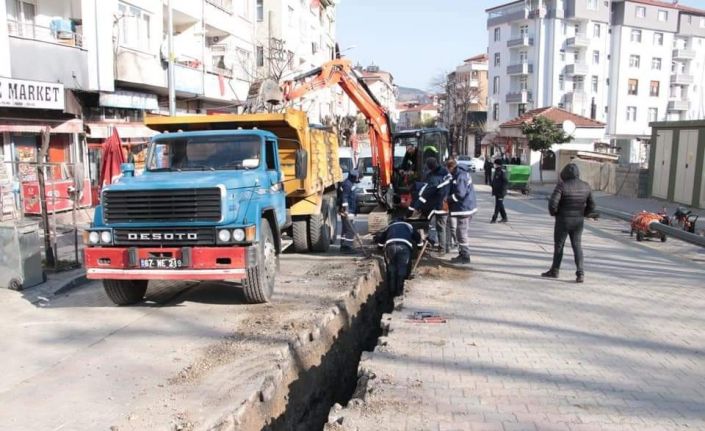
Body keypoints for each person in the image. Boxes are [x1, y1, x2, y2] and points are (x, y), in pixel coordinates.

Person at [542, 163, 595, 283]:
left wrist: (555, 213)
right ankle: (580, 273)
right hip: (578, 221)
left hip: (563, 220)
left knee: (559, 245)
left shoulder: (562, 186)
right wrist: (584, 214)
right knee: (577, 246)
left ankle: (555, 270)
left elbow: (552, 204)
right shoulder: (586, 186)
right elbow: (592, 205)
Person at [374, 212, 422, 295]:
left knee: (392, 267)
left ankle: (391, 291)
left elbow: (381, 240)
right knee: (402, 267)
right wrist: (419, 247)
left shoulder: (390, 227)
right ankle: (399, 291)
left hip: (390, 246)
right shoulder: (408, 226)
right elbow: (417, 237)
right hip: (404, 247)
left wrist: (379, 248)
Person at [410, 157, 451, 253]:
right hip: (447, 203)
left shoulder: (434, 179)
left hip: (441, 205)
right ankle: (447, 246)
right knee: (446, 225)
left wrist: (416, 207)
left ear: (429, 167)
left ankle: (442, 249)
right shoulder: (444, 172)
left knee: (440, 226)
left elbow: (426, 194)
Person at [446, 159, 478, 264]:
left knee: (461, 233)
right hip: (465, 207)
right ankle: (462, 254)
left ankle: (465, 256)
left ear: (451, 167)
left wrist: (448, 199)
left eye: (448, 169)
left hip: (465, 208)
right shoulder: (460, 174)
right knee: (460, 232)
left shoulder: (460, 176)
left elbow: (460, 194)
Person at [337, 169, 359, 253]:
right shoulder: (347, 184)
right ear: (353, 177)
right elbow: (344, 197)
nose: (357, 179)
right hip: (348, 211)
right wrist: (346, 210)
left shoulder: (349, 183)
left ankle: (343, 246)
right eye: (356, 177)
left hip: (350, 210)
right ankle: (347, 247)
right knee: (350, 230)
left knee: (345, 229)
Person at [490, 158, 508, 223]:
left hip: (500, 193)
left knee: (497, 206)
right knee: (500, 205)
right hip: (497, 192)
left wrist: (502, 191)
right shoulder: (496, 171)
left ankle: (494, 219)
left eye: (495, 164)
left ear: (498, 165)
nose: (494, 165)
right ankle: (504, 218)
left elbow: (505, 182)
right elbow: (495, 181)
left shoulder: (501, 172)